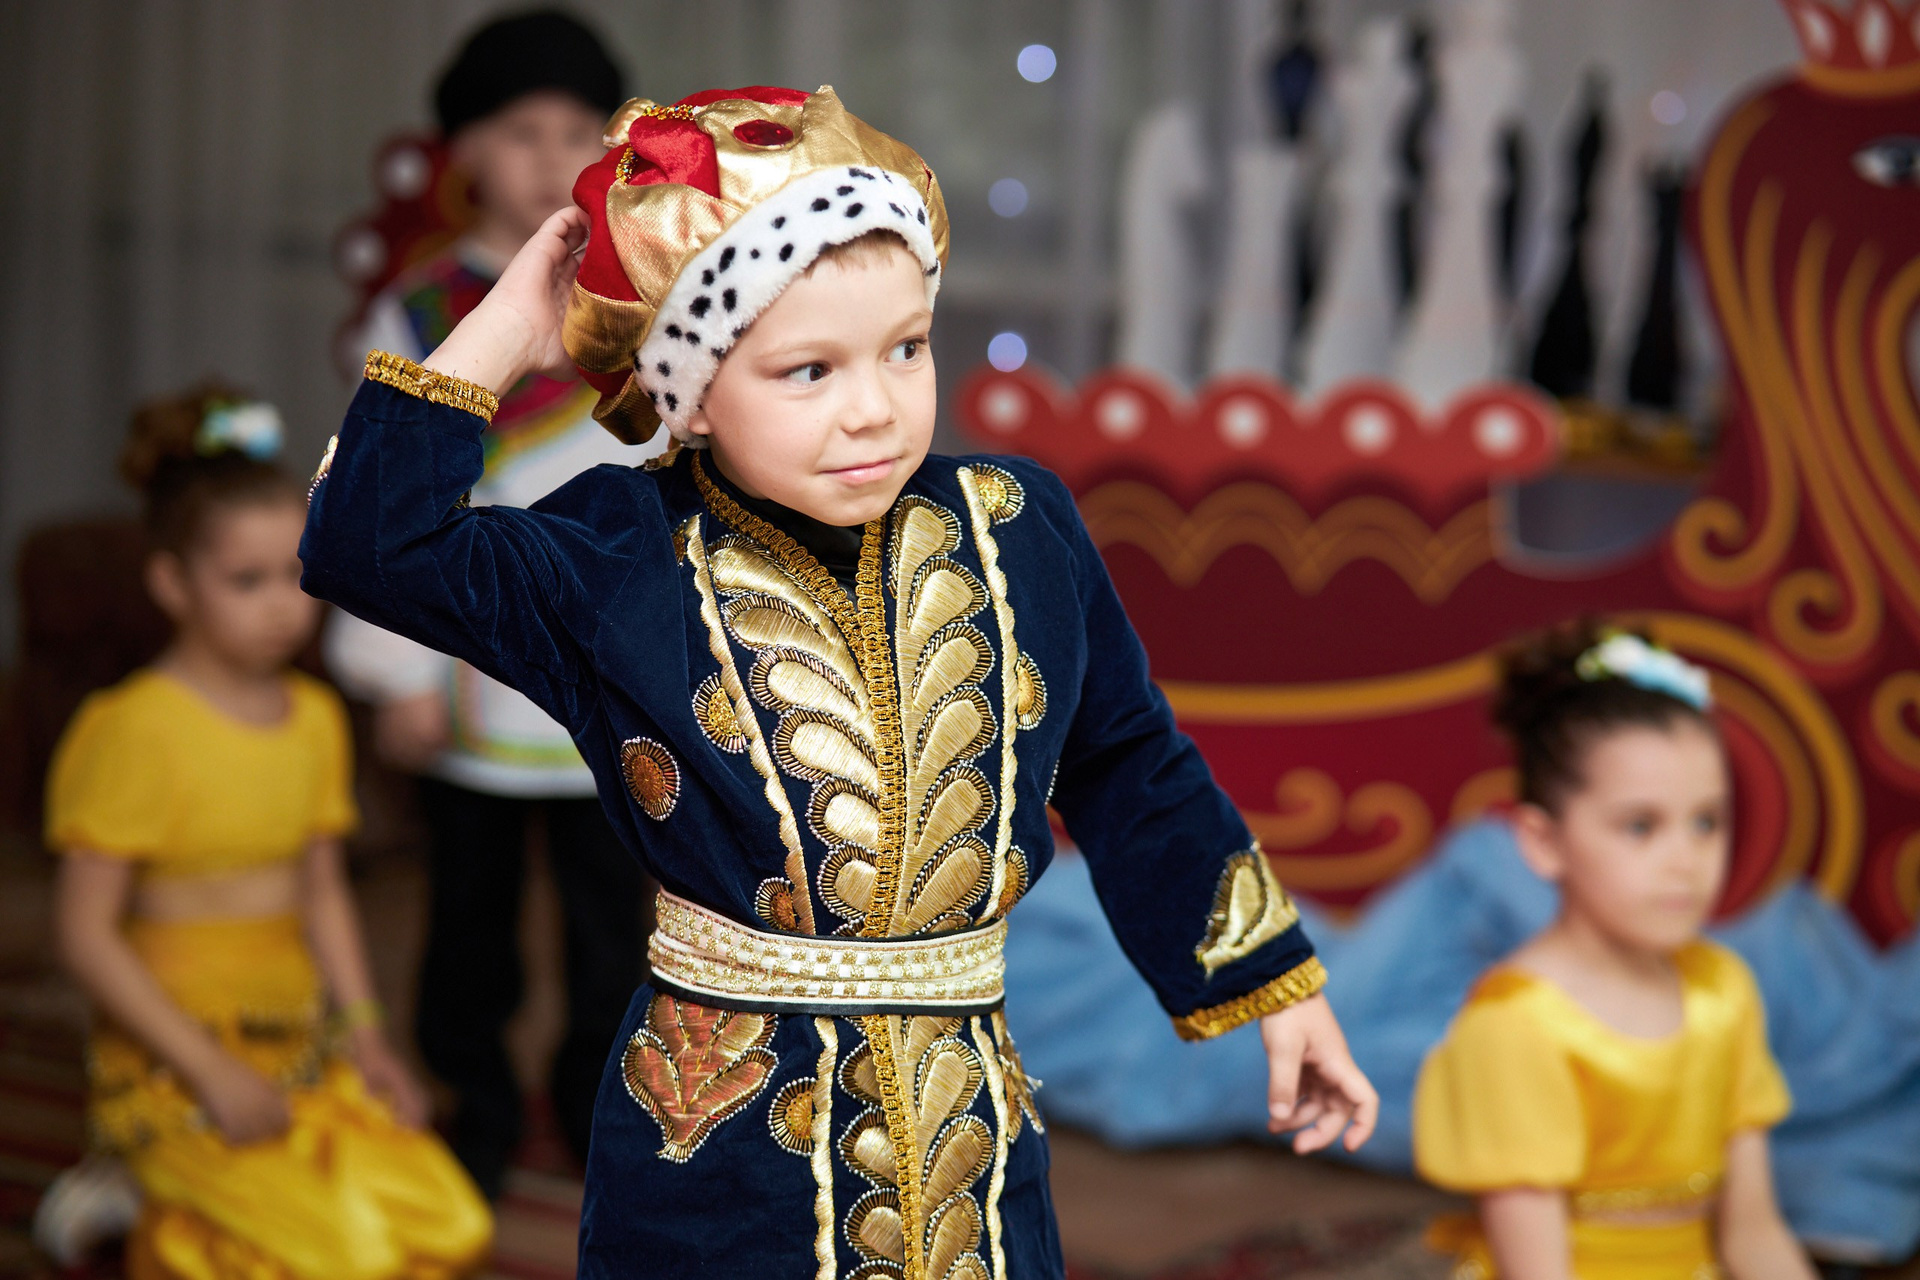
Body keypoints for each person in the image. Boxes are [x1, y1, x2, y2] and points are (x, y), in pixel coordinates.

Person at [301, 85, 1378, 1279]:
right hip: (715, 1157)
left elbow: (1130, 762)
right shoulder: (613, 553)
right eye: (808, 370)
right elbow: (367, 544)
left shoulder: (1020, 524)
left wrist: (1275, 985)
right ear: (690, 391)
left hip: (972, 1126)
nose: (874, 408)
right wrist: (508, 325)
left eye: (906, 348)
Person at [45, 385, 492, 1278]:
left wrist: (367, 1038)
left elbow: (321, 891)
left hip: (296, 1046)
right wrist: (208, 1072)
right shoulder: (133, 730)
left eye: (296, 572)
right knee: (345, 1259)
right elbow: (83, 936)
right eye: (245, 581)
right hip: (178, 1057)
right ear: (173, 584)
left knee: (450, 1227)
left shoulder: (317, 719)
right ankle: (131, 1181)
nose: (283, 605)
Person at [323, 9, 659, 1197]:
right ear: (463, 146)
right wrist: (398, 675)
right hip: (471, 680)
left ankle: (599, 1111)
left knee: (612, 927)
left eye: (574, 132)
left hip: (610, 679)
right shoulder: (420, 314)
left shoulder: (637, 304)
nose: (546, 157)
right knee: (469, 921)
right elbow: (380, 497)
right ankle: (471, 1104)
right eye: (520, 131)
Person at [1413, 624, 1816, 1278]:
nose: (1686, 860)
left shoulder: (1724, 990)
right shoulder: (1515, 1025)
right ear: (1544, 842)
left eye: (1707, 821)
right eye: (1640, 826)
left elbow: (1755, 1234)